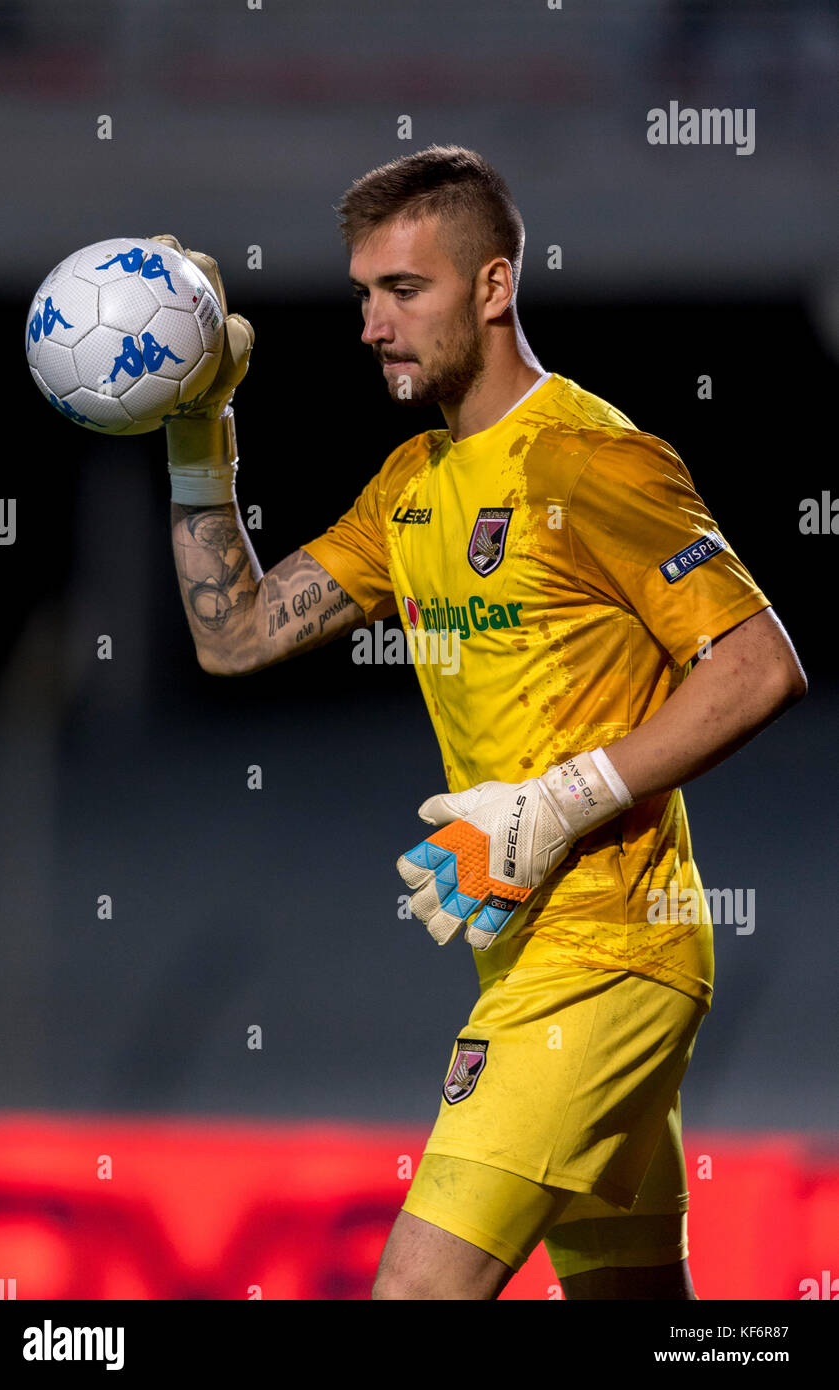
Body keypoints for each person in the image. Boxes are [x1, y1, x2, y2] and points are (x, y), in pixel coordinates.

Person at [155, 144, 807, 1301]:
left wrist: (558, 802)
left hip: (609, 955)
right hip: (525, 963)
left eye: (403, 290)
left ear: (494, 287)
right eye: (362, 293)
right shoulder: (412, 483)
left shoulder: (589, 456)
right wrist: (199, 425)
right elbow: (234, 633)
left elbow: (758, 666)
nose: (370, 322)